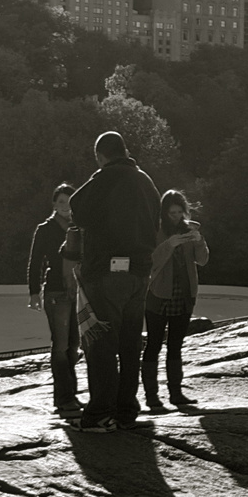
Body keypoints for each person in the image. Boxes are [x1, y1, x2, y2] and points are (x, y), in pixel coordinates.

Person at [66, 131, 162, 433]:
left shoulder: (106, 177)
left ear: (101, 155)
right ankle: (126, 410)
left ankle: (99, 414)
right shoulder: (147, 182)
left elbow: (76, 207)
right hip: (139, 273)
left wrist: (100, 175)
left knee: (102, 345)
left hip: (107, 273)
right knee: (131, 344)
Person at [143, 190, 208, 412]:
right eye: (172, 213)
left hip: (184, 294)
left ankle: (176, 393)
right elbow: (150, 263)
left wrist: (199, 241)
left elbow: (202, 260)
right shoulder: (155, 231)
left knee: (176, 346)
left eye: (180, 212)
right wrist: (169, 244)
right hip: (159, 294)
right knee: (153, 345)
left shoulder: (189, 229)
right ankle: (151, 396)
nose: (177, 217)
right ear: (164, 213)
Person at [27, 182, 81, 419]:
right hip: (56, 292)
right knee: (60, 346)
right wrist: (33, 292)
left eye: (68, 202)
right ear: (53, 204)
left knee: (74, 345)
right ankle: (64, 398)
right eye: (60, 202)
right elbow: (36, 261)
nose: (64, 206)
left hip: (78, 292)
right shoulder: (46, 229)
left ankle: (69, 393)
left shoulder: (80, 228)